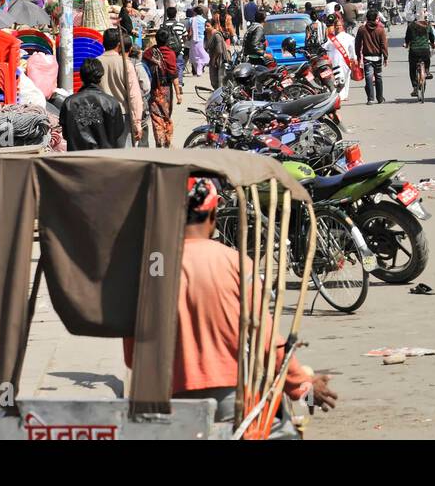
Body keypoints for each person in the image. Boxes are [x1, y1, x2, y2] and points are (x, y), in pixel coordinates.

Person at [122, 178, 337, 425]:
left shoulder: (149, 266)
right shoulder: (235, 262)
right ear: (212, 216)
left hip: (164, 401)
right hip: (227, 396)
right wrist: (303, 388)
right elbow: (265, 341)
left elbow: (132, 356)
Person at [59, 59, 126, 151]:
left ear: (81, 76)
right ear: (101, 76)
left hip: (77, 159)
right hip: (104, 158)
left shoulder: (69, 102)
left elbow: (66, 134)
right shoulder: (112, 102)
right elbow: (118, 132)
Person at [97, 28, 142, 147]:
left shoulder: (96, 62)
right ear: (119, 45)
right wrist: (137, 122)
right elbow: (134, 95)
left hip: (101, 115)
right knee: (124, 155)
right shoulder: (125, 63)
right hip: (122, 115)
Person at [145, 28, 183, 148]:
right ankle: (167, 141)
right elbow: (174, 75)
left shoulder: (149, 53)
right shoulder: (170, 53)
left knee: (156, 118)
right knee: (166, 116)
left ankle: (160, 142)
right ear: (167, 40)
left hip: (153, 89)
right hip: (166, 90)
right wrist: (178, 94)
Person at [355, 9, 389, 104]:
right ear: (376, 18)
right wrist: (385, 57)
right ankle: (380, 98)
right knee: (378, 77)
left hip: (367, 57)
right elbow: (384, 45)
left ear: (367, 18)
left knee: (368, 77)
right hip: (378, 57)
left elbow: (357, 44)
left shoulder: (362, 29)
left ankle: (370, 99)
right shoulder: (380, 29)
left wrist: (358, 56)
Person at [404, 9, 435, 96]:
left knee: (412, 69)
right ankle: (427, 71)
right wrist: (433, 44)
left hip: (414, 50)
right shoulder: (428, 25)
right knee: (427, 59)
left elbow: (407, 38)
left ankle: (415, 87)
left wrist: (407, 44)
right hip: (425, 50)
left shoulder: (411, 26)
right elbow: (432, 37)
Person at [130, 39, 153, 148]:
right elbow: (146, 86)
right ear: (139, 53)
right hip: (139, 102)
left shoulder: (124, 62)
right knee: (143, 125)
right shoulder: (138, 65)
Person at [164, 7, 189, 83]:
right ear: (175, 14)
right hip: (179, 50)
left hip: (167, 50)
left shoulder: (163, 25)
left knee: (167, 67)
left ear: (167, 14)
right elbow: (185, 37)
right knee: (179, 66)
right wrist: (181, 44)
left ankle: (169, 82)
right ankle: (180, 83)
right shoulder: (180, 25)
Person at [205, 20, 228, 90]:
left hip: (219, 59)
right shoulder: (208, 34)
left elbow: (219, 50)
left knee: (219, 80)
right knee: (214, 80)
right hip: (213, 58)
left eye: (208, 26)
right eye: (205, 26)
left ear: (213, 26)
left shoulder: (216, 35)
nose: (206, 28)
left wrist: (214, 60)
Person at [188, 5, 208, 76]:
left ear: (195, 12)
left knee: (194, 55)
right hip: (201, 39)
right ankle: (199, 70)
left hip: (193, 39)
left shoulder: (191, 20)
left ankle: (198, 70)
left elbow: (189, 30)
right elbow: (206, 30)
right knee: (202, 54)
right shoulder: (204, 20)